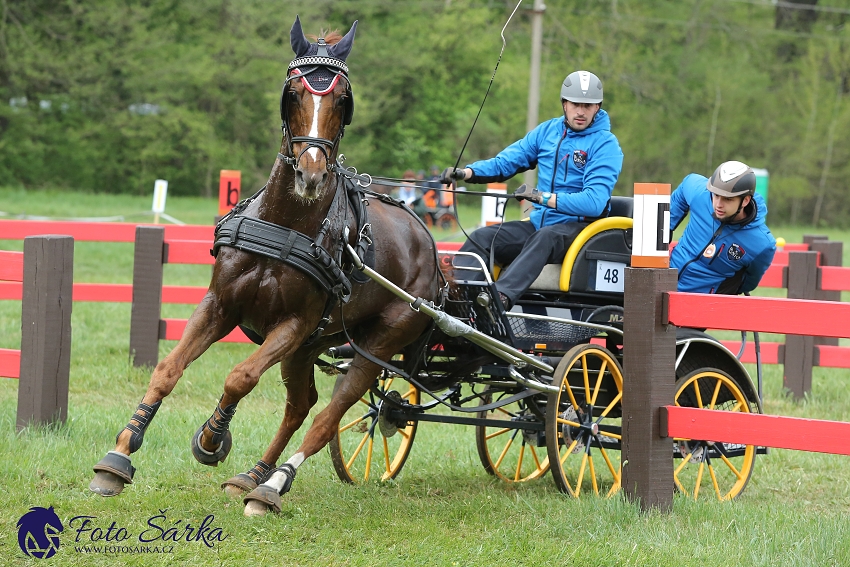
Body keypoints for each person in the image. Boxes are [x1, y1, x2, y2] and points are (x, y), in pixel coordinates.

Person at [440, 70, 623, 309]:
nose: (581, 111)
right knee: (483, 237)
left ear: (597, 107)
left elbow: (594, 202)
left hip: (580, 230)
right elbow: (506, 161)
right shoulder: (547, 132)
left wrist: (541, 198)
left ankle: (497, 301)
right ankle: (456, 300)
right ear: (564, 104)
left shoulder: (605, 144)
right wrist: (467, 173)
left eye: (588, 106)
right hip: (540, 225)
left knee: (545, 237)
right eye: (576, 104)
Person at [670, 161, 776, 295]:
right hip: (663, 282)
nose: (718, 204)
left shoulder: (762, 244)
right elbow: (687, 184)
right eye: (716, 195)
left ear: (745, 201)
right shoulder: (701, 194)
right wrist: (666, 228)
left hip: (701, 304)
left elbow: (749, 282)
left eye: (728, 199)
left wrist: (724, 291)